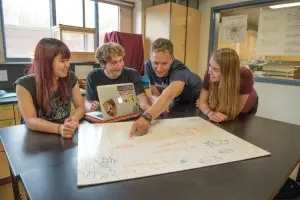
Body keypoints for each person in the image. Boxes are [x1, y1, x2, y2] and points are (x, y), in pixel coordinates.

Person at [130, 38, 202, 137]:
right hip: (176, 101)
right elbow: (154, 91)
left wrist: (146, 117)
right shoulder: (148, 65)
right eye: (155, 63)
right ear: (150, 57)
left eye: (164, 63)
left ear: (172, 59)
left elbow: (169, 95)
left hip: (195, 101)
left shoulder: (179, 69)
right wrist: (159, 104)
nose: (159, 69)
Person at [15, 38, 85, 138]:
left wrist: (74, 118)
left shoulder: (70, 78)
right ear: (46, 62)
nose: (67, 65)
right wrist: (59, 128)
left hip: (64, 133)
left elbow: (80, 107)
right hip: (36, 139)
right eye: (62, 61)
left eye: (68, 60)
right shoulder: (24, 84)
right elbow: (31, 120)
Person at [85, 42, 152, 112]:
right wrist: (91, 107)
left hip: (128, 114)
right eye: (114, 63)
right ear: (102, 65)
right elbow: (88, 102)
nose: (119, 65)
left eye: (121, 60)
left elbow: (141, 97)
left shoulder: (132, 74)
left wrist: (146, 107)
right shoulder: (93, 76)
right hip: (104, 116)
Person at [196, 48, 258, 122]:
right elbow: (202, 103)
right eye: (210, 65)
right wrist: (210, 113)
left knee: (237, 124)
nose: (210, 72)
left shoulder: (245, 75)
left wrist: (209, 106)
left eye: (216, 69)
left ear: (228, 73)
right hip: (222, 100)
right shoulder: (209, 73)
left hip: (245, 103)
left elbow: (235, 110)